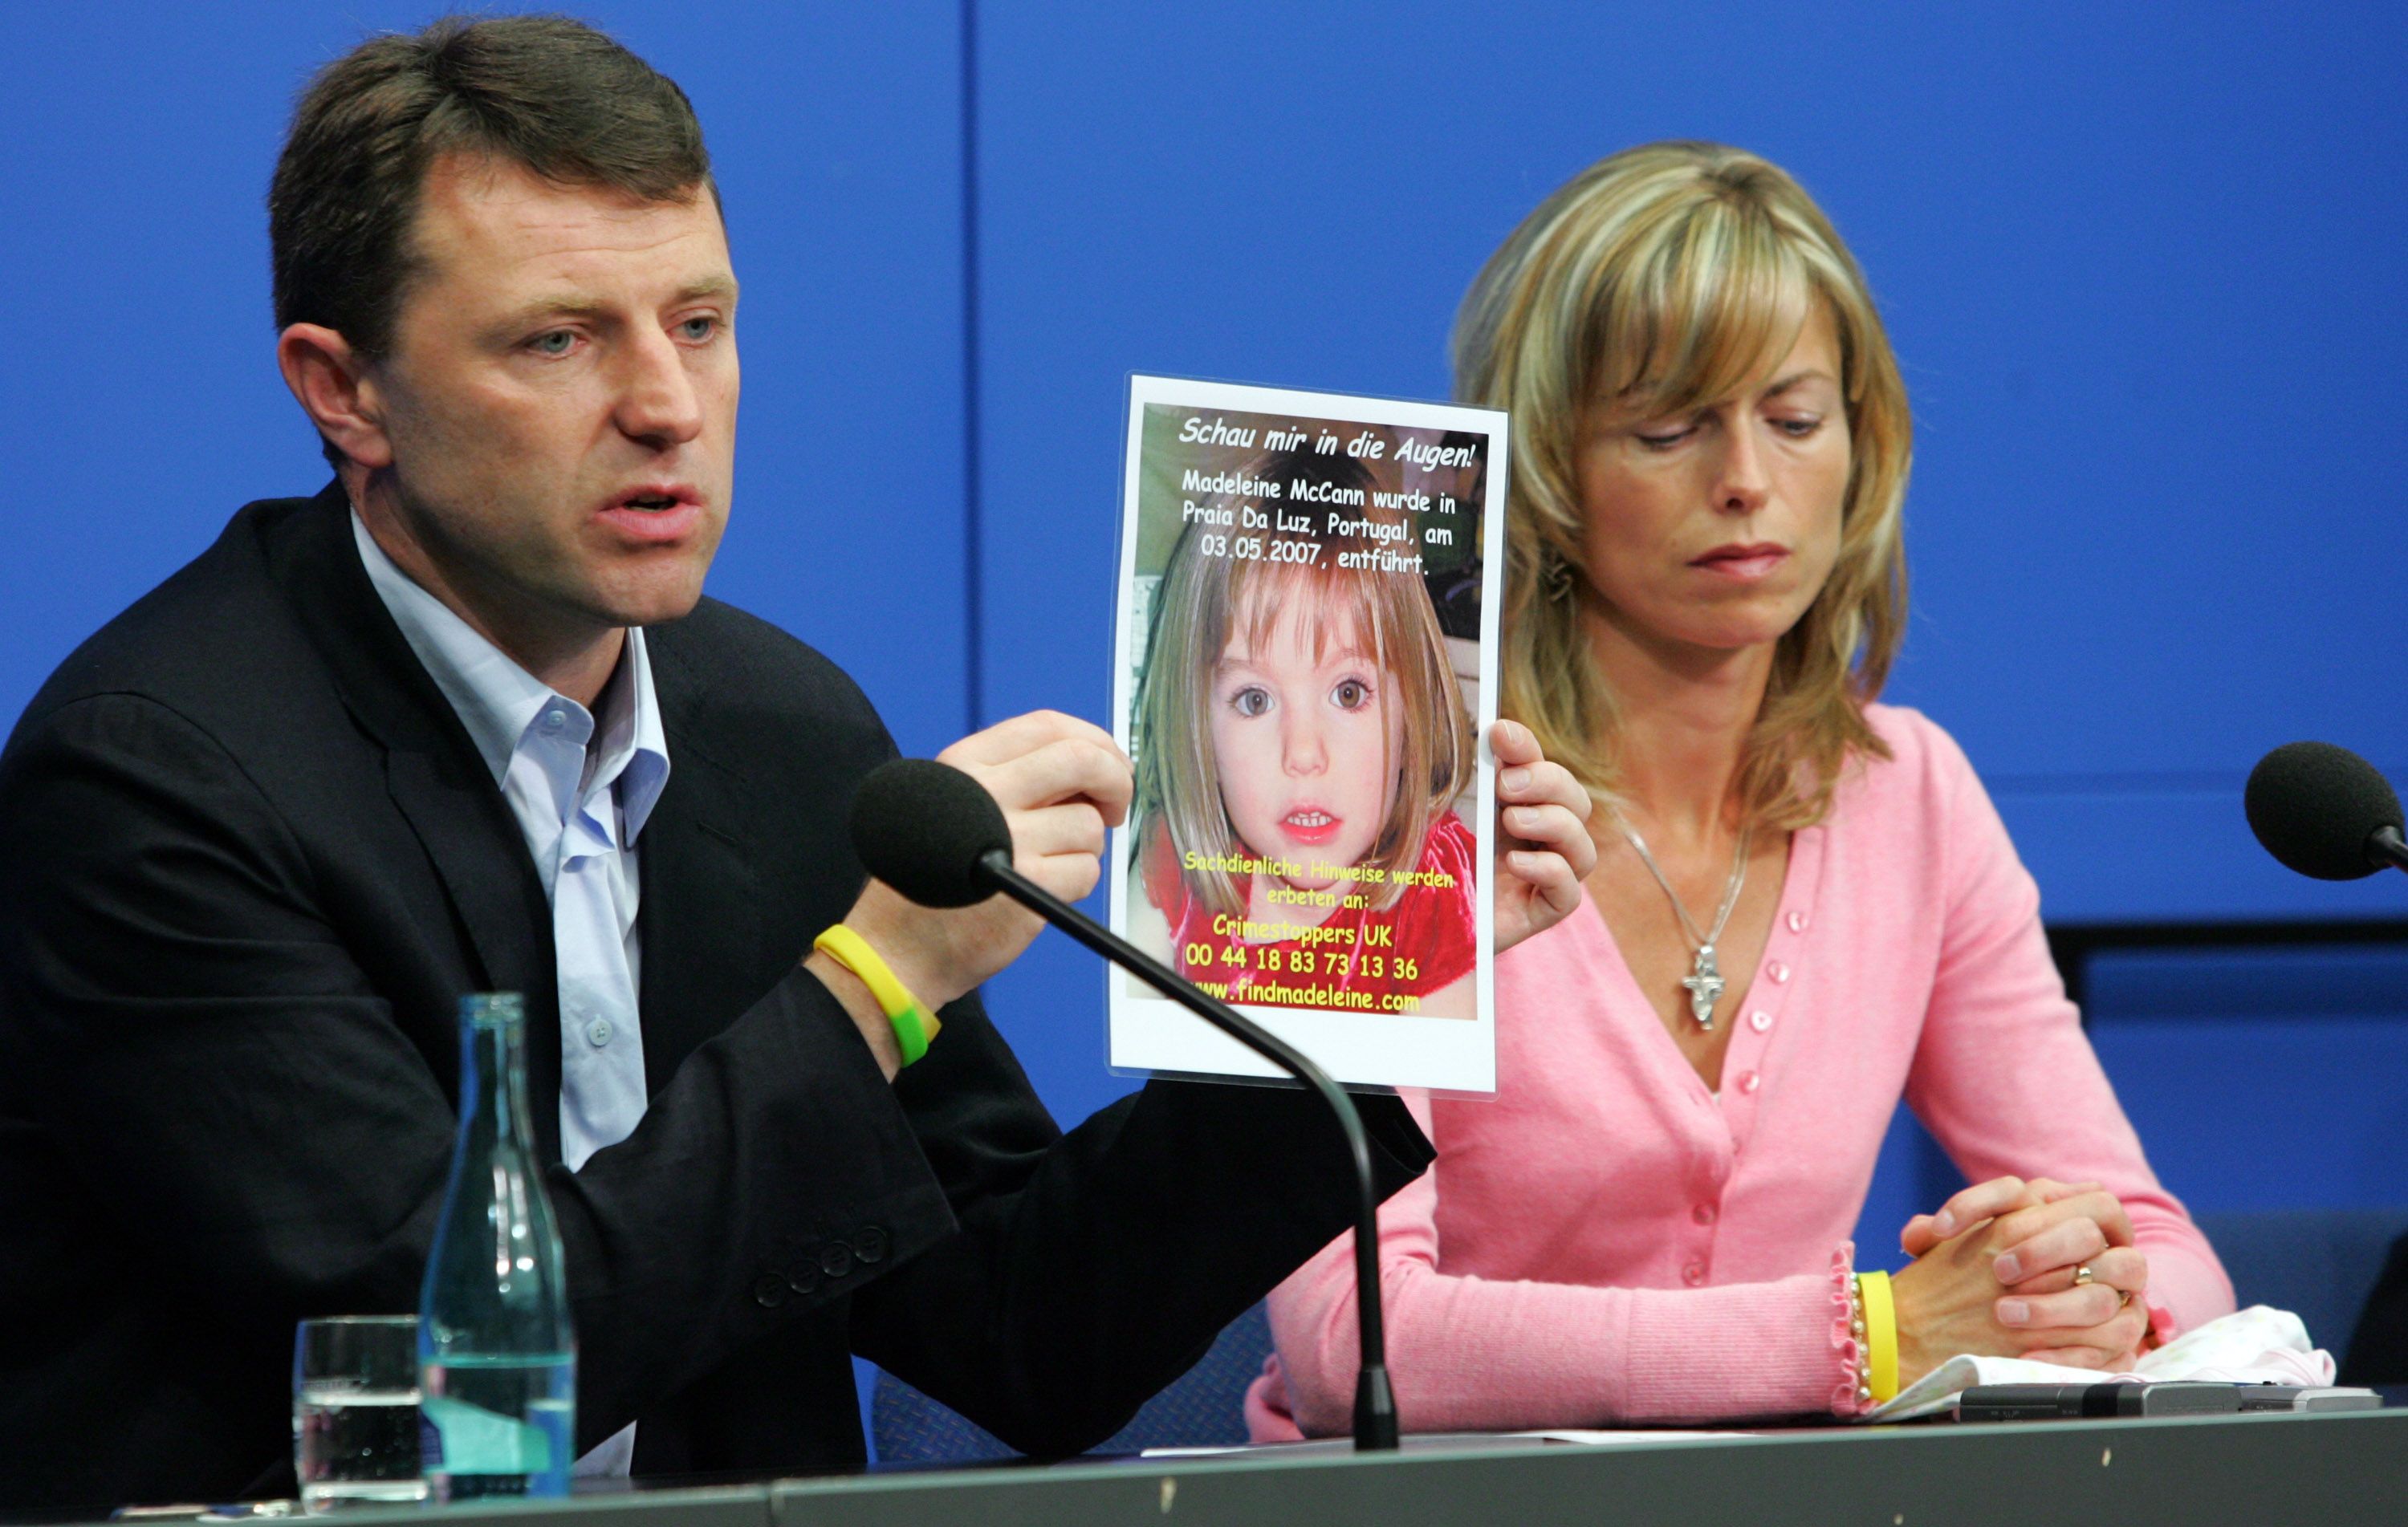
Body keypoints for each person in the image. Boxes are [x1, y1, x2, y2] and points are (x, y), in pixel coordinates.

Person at [0, 18, 1597, 1509]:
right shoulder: (158, 781)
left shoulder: (773, 726)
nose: (665, 403)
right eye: (559, 341)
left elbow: (1025, 1331)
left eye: (700, 322)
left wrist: (1366, 979)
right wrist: (867, 990)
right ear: (343, 389)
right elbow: (437, 1383)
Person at [1247, 141, 2235, 1438]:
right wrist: (1868, 1333)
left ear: (1861, 448)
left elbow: (2168, 1254)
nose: (1744, 480)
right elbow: (1347, 1339)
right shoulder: (1367, 796)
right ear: (1544, 473)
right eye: (1668, 427)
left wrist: (2073, 1288)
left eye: (1794, 417)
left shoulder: (1911, 794)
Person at [1130, 449, 1479, 1018]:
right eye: (1255, 700)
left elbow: (1421, 1108)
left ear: (1414, 707)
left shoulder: (1436, 889)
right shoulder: (1180, 861)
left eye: (1348, 692)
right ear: (1199, 729)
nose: (1304, 754)